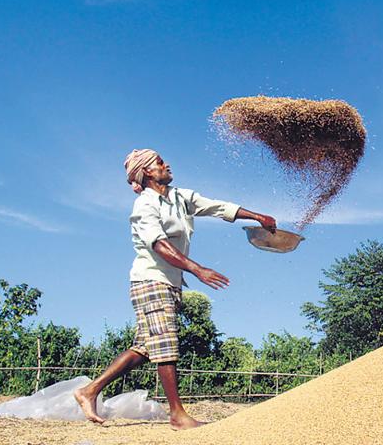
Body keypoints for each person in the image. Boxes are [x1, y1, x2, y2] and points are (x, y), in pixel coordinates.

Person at [74, 148, 277, 429]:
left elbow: (217, 207)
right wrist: (198, 269)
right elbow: (158, 244)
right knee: (166, 344)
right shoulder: (145, 206)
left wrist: (257, 216)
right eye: (159, 162)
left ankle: (89, 390)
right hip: (150, 280)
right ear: (146, 172)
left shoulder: (181, 197)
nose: (166, 164)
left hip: (169, 282)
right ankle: (177, 414)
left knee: (146, 347)